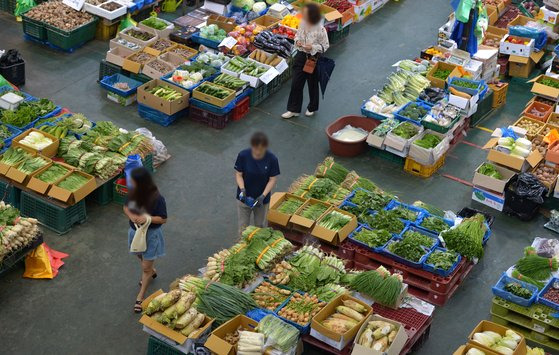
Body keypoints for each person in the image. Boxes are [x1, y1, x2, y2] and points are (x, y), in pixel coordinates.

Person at [123, 167, 167, 313]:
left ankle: (140, 296)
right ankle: (151, 271)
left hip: (150, 235)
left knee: (145, 267)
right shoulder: (133, 193)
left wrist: (147, 218)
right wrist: (131, 216)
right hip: (135, 233)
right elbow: (125, 207)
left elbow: (163, 219)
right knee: (139, 255)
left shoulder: (157, 198)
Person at [282, 3, 330, 119]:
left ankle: (312, 107)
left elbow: (325, 46)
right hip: (300, 56)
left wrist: (312, 47)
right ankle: (293, 109)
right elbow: (297, 36)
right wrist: (298, 41)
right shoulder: (302, 24)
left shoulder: (320, 29)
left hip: (313, 58)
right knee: (296, 83)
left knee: (312, 84)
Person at [235, 132, 280, 234]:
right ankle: (242, 245)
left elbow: (272, 179)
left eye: (260, 149)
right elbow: (239, 174)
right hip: (244, 197)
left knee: (260, 226)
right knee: (243, 226)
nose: (257, 152)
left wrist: (263, 196)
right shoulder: (243, 155)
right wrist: (242, 189)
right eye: (255, 149)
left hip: (261, 200)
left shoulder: (272, 159)